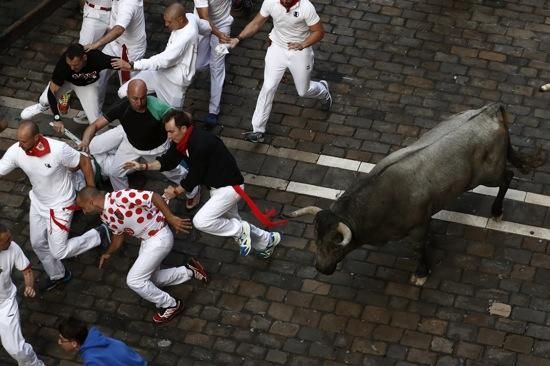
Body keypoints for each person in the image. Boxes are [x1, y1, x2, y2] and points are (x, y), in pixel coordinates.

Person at [124, 110, 284, 258]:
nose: (168, 136)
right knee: (232, 224)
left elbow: (195, 175)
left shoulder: (200, 144)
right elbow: (168, 160)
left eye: (171, 131)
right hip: (219, 188)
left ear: (184, 128)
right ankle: (267, 240)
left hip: (228, 189)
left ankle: (241, 230)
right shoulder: (182, 142)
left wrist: (176, 191)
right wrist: (143, 166)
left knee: (202, 221)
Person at [0, 121, 110, 291]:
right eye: (19, 140)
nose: (20, 145)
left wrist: (90, 192)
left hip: (61, 206)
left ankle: (99, 235)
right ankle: (58, 275)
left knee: (59, 251)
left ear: (36, 137)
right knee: (37, 244)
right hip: (38, 203)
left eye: (24, 141)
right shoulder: (16, 150)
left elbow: (85, 162)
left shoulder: (58, 149)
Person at [76, 186, 209, 324]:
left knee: (134, 281)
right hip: (147, 242)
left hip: (159, 237)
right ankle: (189, 271)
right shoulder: (104, 216)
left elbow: (154, 196)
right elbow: (118, 236)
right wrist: (108, 253)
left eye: (84, 208)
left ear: (91, 202)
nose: (84, 212)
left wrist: (170, 217)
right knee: (149, 281)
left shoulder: (121, 197)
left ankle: (171, 304)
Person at [79, 79, 199, 208]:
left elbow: (179, 119)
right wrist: (85, 141)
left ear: (147, 93)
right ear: (128, 95)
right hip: (130, 145)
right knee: (115, 172)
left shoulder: (157, 106)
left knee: (174, 173)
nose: (139, 103)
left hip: (156, 149)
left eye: (142, 98)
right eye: (135, 99)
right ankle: (126, 202)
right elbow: (96, 125)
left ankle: (194, 191)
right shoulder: (121, 107)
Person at [228, 0, 332, 142]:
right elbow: (256, 23)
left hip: (300, 51)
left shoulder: (306, 7)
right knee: (268, 87)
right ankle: (258, 130)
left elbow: (319, 31)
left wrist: (303, 44)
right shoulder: (270, 2)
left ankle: (323, 91)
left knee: (303, 91)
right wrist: (238, 38)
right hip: (277, 48)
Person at [113, 3, 210, 110]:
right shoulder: (191, 17)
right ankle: (146, 116)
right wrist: (218, 34)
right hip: (157, 72)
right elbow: (206, 27)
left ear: (181, 20)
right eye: (165, 20)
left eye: (169, 22)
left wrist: (133, 65)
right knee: (124, 92)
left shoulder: (186, 37)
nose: (166, 24)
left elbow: (163, 60)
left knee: (172, 118)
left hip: (174, 83)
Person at [19, 43, 116, 129]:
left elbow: (117, 62)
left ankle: (104, 144)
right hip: (67, 83)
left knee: (96, 122)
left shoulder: (96, 57)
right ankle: (42, 106)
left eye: (76, 65)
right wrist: (57, 118)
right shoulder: (63, 65)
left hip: (88, 86)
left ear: (84, 58)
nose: (72, 68)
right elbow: (52, 92)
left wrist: (130, 65)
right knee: (46, 100)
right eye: (70, 65)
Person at [85, 0, 147, 105]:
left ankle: (130, 118)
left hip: (128, 51)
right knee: (97, 74)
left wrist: (95, 45)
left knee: (128, 88)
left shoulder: (128, 4)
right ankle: (95, 110)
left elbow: (119, 29)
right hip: (114, 44)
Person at [0, 225, 45, 366]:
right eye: (6, 240)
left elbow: (26, 270)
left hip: (4, 305)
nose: (11, 241)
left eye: (9, 237)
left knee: (17, 350)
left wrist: (29, 286)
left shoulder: (12, 248)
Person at [193, 0, 233, 126]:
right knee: (197, 65)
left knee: (217, 66)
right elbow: (204, 17)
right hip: (202, 24)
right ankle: (215, 63)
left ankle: (213, 111)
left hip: (224, 24)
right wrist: (218, 34)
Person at [58, 317, 147, 365]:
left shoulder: (92, 360)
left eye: (62, 340)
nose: (59, 342)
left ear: (74, 343)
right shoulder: (105, 340)